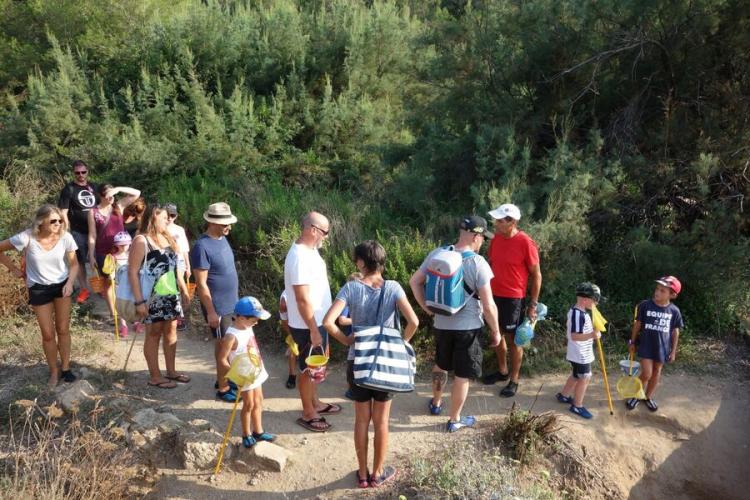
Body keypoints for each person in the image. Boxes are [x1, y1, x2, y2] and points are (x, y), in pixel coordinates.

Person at [322, 240, 419, 488]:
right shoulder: (394, 287)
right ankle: (377, 473)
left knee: (361, 420)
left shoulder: (351, 288)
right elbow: (414, 322)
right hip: (386, 363)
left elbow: (328, 322)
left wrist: (347, 340)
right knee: (382, 421)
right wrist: (399, 344)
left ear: (362, 263)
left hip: (359, 362)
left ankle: (363, 475)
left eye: (356, 260)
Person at [409, 216, 501, 432]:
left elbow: (414, 281)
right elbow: (488, 306)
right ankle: (454, 419)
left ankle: (436, 403)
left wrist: (427, 308)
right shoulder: (478, 263)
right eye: (483, 238)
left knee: (440, 365)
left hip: (441, 324)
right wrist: (496, 331)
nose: (483, 242)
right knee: (462, 375)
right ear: (477, 237)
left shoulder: (438, 254)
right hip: (467, 328)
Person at [0, 204, 79, 387]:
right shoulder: (26, 237)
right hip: (38, 288)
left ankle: (66, 368)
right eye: (53, 221)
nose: (58, 224)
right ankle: (53, 371)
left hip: (62, 286)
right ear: (41, 222)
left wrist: (69, 283)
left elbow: (74, 265)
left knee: (63, 329)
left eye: (60, 220)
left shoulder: (65, 237)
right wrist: (13, 269)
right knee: (48, 334)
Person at [284, 211, 340, 432]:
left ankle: (315, 403)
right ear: (314, 230)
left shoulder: (310, 251)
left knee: (315, 366)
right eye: (325, 232)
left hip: (316, 322)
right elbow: (301, 298)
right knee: (308, 369)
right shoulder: (298, 256)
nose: (326, 237)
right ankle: (308, 412)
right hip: (308, 324)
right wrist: (313, 329)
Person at [483, 203, 542, 398]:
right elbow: (491, 263)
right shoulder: (496, 239)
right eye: (496, 219)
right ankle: (502, 371)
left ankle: (514, 379)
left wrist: (533, 304)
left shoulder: (526, 242)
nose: (496, 223)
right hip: (493, 295)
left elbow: (537, 275)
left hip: (514, 298)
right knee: (496, 334)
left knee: (514, 340)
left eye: (500, 220)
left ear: (512, 222)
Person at [129, 204, 191, 389]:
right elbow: (133, 272)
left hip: (171, 293)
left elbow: (175, 266)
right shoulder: (142, 240)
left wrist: (184, 288)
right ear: (153, 218)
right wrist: (139, 301)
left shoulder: (168, 237)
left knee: (171, 332)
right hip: (152, 296)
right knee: (154, 334)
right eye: (164, 217)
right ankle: (155, 376)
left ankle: (171, 371)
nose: (168, 220)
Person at [191, 202, 240, 401]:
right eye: (224, 223)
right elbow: (201, 284)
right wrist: (211, 312)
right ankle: (223, 388)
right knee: (223, 347)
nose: (229, 226)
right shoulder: (201, 247)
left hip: (232, 304)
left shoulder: (222, 238)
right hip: (218, 307)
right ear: (212, 222)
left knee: (228, 346)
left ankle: (224, 377)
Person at [216, 296, 276, 448]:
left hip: (256, 370)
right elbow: (222, 359)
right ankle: (246, 434)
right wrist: (234, 376)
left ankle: (258, 431)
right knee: (248, 405)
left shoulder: (248, 327)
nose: (257, 322)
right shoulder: (231, 336)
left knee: (259, 401)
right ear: (241, 318)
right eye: (254, 319)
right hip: (244, 376)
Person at [88, 184, 141, 336]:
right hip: (103, 252)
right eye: (108, 195)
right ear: (100, 195)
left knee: (128, 282)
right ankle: (116, 317)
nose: (111, 197)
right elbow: (92, 235)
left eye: (113, 195)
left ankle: (133, 316)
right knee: (109, 285)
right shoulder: (93, 212)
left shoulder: (118, 206)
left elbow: (136, 192)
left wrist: (118, 189)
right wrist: (91, 255)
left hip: (123, 251)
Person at [626, 276, 684, 412]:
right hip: (646, 346)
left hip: (662, 348)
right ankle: (636, 395)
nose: (657, 292)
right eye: (657, 289)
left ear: (672, 295)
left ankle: (647, 397)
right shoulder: (645, 305)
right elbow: (637, 324)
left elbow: (675, 332)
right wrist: (632, 341)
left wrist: (673, 351)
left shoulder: (674, 311)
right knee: (646, 374)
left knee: (657, 371)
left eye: (663, 291)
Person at [555, 282, 601, 419]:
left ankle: (563, 396)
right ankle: (577, 405)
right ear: (586, 299)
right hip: (580, 354)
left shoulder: (580, 312)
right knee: (585, 376)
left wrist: (590, 332)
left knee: (576, 375)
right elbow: (574, 336)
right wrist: (592, 335)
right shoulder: (577, 314)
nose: (596, 303)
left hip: (580, 352)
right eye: (595, 300)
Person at [58, 160, 97, 303]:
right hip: (77, 231)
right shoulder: (69, 189)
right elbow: (63, 212)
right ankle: (84, 288)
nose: (81, 175)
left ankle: (102, 288)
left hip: (96, 231)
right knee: (79, 261)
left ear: (87, 172)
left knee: (98, 259)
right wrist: (66, 230)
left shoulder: (94, 187)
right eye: (77, 172)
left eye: (83, 172)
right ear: (74, 173)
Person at [165, 203, 191, 331]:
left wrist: (188, 266)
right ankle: (172, 315)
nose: (170, 218)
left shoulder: (179, 230)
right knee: (169, 289)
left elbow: (185, 249)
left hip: (179, 261)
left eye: (172, 215)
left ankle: (179, 317)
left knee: (178, 289)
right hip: (165, 261)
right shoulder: (159, 228)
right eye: (168, 215)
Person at [340, 272, 363, 400]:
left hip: (364, 336)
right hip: (353, 338)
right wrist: (358, 320)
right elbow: (342, 320)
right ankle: (351, 389)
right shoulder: (347, 302)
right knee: (352, 363)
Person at [278, 291, 298, 389]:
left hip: (308, 319)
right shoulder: (284, 301)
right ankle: (292, 375)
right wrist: (291, 335)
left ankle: (312, 373)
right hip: (293, 324)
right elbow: (284, 321)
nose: (283, 311)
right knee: (292, 350)